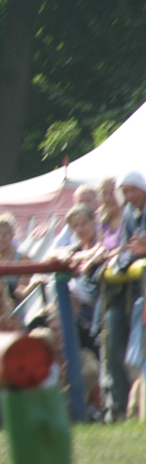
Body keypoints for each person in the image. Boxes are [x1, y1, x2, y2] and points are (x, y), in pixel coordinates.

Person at [99, 171, 146, 423]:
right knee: (116, 351)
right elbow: (129, 246)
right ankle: (120, 409)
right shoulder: (128, 212)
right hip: (128, 292)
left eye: (133, 190)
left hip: (141, 292)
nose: (129, 195)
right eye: (125, 191)